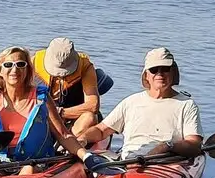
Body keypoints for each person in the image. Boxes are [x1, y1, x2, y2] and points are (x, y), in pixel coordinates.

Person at [0, 46, 87, 174]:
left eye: (21, 64)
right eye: (8, 65)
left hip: (33, 162)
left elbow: (63, 135)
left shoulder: (41, 99)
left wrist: (86, 156)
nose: (14, 69)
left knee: (28, 170)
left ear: (28, 70)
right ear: (0, 71)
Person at [75, 47, 203, 160]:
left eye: (165, 69)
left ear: (173, 72)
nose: (160, 74)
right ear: (146, 75)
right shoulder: (131, 102)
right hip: (130, 162)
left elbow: (194, 144)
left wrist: (167, 146)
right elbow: (101, 130)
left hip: (167, 164)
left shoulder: (186, 105)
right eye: (154, 69)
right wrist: (84, 138)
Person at [33, 37, 102, 135]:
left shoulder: (85, 66)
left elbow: (93, 105)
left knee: (90, 118)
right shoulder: (33, 62)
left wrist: (60, 113)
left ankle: (67, 143)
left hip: (72, 117)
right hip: (43, 114)